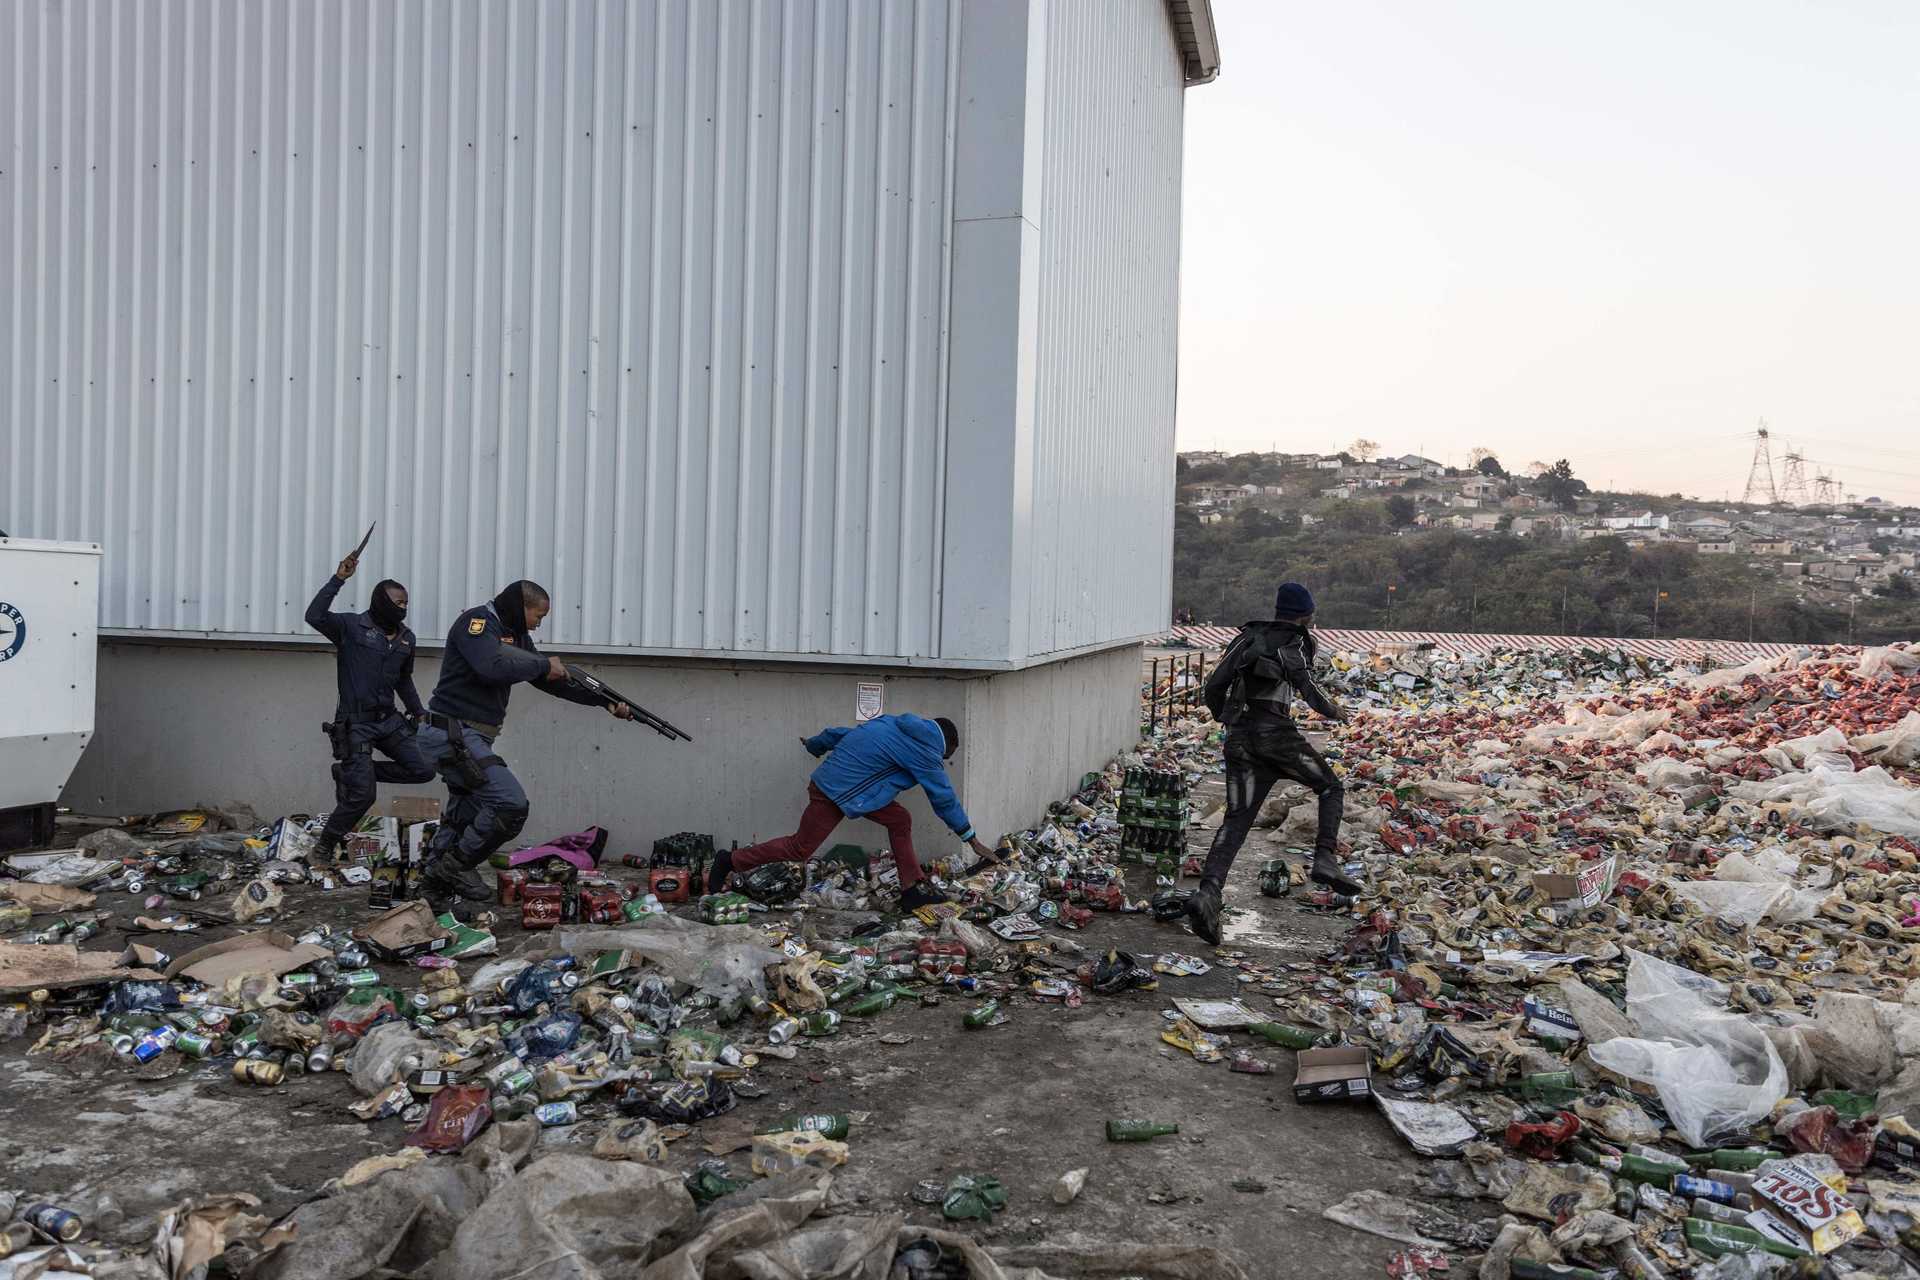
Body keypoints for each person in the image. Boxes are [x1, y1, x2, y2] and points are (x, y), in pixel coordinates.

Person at [414, 580, 632, 910]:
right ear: (520, 606)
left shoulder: (515, 635)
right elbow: (490, 667)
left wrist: (603, 701)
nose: (539, 623)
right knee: (510, 804)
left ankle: (431, 890)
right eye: (537, 615)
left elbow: (549, 681)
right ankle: (455, 868)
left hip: (472, 737)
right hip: (452, 734)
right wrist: (544, 663)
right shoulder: (477, 624)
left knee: (467, 813)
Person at [1189, 581, 1354, 944]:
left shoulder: (1245, 638)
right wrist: (1333, 710)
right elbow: (1306, 684)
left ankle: (1208, 894)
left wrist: (1227, 719)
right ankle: (1324, 859)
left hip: (1240, 740)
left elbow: (1214, 686)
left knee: (1236, 821)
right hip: (1274, 735)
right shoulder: (1295, 640)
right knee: (1329, 785)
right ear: (1306, 615)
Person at [709, 714, 993, 911]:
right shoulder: (926, 752)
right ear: (944, 746)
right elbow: (944, 798)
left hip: (854, 791)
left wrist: (813, 745)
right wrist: (972, 839)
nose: (943, 762)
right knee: (800, 848)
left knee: (900, 819)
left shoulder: (893, 723)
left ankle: (910, 889)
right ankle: (730, 860)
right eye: (947, 756)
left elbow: (842, 734)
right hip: (834, 792)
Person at [304, 552, 434, 866]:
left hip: (389, 721)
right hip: (356, 724)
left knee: (424, 769)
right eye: (397, 602)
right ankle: (323, 847)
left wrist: (419, 713)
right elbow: (314, 615)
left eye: (405, 603)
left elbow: (404, 680)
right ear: (380, 601)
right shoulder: (350, 626)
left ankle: (352, 773)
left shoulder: (406, 638)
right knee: (363, 796)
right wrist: (339, 579)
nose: (402, 607)